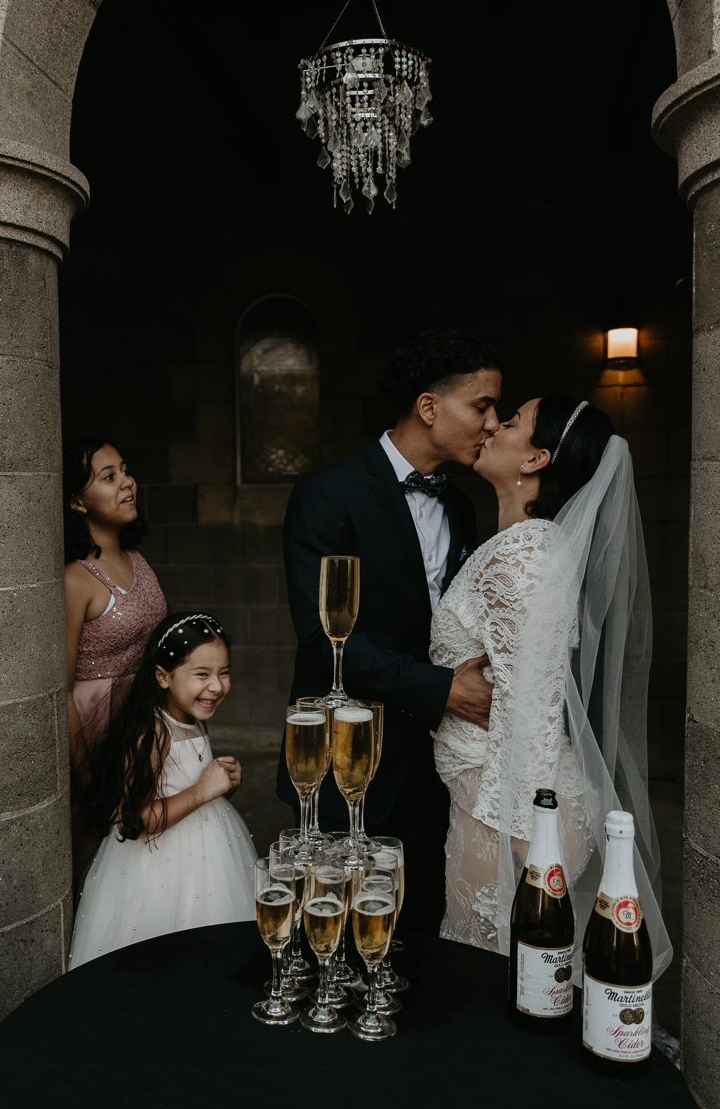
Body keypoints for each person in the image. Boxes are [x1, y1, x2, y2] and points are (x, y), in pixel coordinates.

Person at [431, 393, 672, 974]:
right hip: (493, 793)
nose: (492, 425)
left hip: (506, 813)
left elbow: (532, 706)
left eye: (510, 422)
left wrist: (527, 846)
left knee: (493, 980)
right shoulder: (521, 545)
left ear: (536, 459)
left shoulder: (527, 557)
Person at [278, 330, 499, 934]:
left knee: (421, 927)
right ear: (430, 408)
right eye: (481, 406)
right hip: (349, 759)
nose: (492, 424)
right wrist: (442, 690)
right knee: (339, 930)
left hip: (436, 762)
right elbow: (323, 640)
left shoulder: (460, 507)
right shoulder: (330, 494)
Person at [68, 612, 256, 968]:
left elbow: (184, 788)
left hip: (208, 859)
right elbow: (135, 821)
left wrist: (222, 786)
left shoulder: (191, 716)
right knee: (170, 957)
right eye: (202, 674)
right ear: (163, 677)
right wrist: (202, 791)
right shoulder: (151, 734)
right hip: (159, 873)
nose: (216, 686)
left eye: (224, 672)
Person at [62, 437, 168, 896]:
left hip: (145, 718)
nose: (127, 482)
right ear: (76, 502)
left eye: (125, 470)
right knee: (104, 852)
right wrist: (87, 777)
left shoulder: (138, 561)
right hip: (97, 727)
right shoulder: (75, 579)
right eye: (108, 477)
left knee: (156, 843)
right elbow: (60, 689)